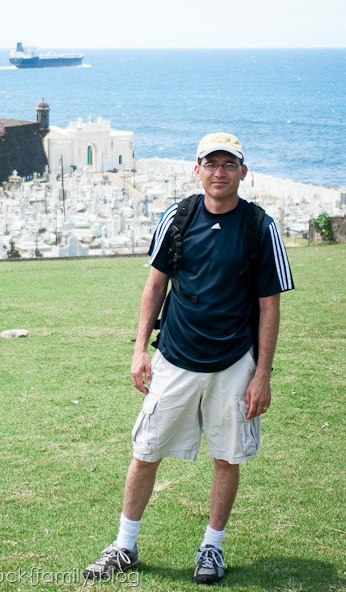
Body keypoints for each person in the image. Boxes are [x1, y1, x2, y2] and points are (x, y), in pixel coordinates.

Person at [83, 132, 294, 585]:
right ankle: (124, 544)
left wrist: (263, 374)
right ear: (196, 170)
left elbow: (269, 304)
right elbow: (155, 285)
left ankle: (211, 549)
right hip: (175, 357)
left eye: (228, 164)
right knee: (145, 452)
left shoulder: (260, 227)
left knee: (227, 456)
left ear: (243, 171)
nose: (219, 173)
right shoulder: (177, 218)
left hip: (234, 361)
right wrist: (140, 349)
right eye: (210, 164)